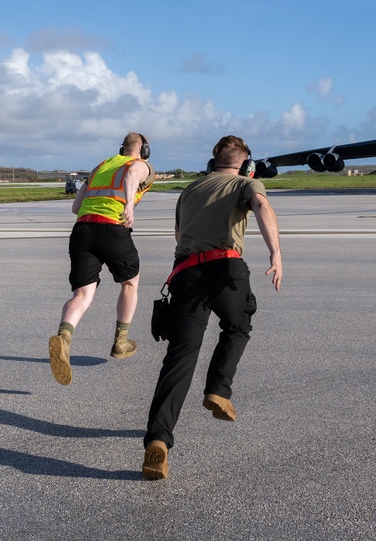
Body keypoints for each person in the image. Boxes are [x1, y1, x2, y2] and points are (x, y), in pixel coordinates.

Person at [142, 135, 282, 480]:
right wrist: (276, 252)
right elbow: (263, 207)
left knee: (181, 355)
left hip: (186, 272)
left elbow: (178, 235)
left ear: (211, 163)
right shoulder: (246, 183)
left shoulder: (189, 190)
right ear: (246, 165)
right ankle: (218, 389)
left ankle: (158, 440)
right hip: (226, 268)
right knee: (238, 324)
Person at [48, 132, 156, 385]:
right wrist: (129, 205)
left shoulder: (101, 167)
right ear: (145, 150)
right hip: (112, 229)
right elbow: (131, 176)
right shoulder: (140, 165)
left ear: (121, 148)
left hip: (82, 229)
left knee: (82, 294)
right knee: (130, 283)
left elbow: (75, 207)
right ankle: (121, 342)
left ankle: (63, 337)